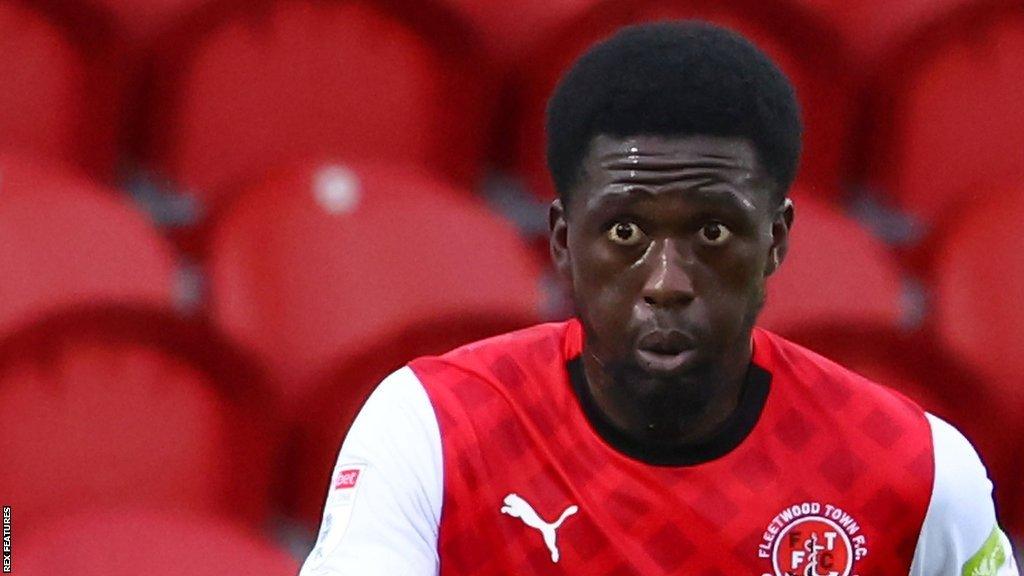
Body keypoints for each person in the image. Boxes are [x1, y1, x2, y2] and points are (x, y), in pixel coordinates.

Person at [299, 21, 1018, 575]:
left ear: (775, 240)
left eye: (712, 230)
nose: (667, 282)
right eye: (624, 230)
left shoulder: (915, 470)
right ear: (561, 241)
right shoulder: (431, 429)